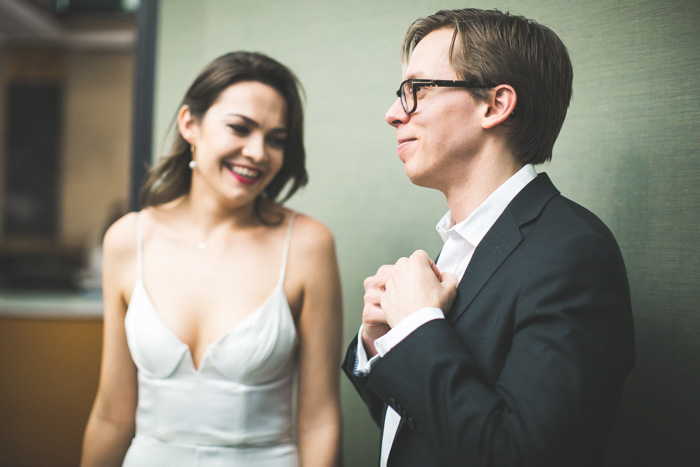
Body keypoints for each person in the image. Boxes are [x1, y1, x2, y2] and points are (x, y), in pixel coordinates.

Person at [343, 8, 635, 467]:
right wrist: (381, 344)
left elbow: (520, 454)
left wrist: (417, 329)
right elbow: (427, 430)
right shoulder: (461, 245)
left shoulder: (573, 254)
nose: (392, 114)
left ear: (495, 105)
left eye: (416, 90)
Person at [82, 51, 342, 466]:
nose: (258, 152)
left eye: (276, 139)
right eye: (240, 128)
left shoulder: (308, 245)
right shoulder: (128, 240)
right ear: (190, 124)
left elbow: (319, 421)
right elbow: (111, 415)